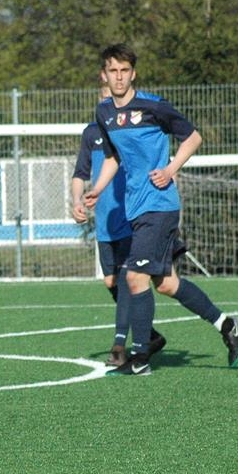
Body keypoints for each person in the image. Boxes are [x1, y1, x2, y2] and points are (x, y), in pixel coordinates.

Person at [84, 44, 238, 375]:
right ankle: (228, 325)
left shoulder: (153, 106)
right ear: (104, 74)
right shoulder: (104, 113)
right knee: (167, 284)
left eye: (124, 71)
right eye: (113, 71)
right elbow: (114, 156)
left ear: (134, 73)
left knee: (134, 276)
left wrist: (171, 169)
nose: (119, 77)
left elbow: (193, 138)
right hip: (136, 209)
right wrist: (97, 189)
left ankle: (141, 358)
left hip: (160, 206)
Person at [71, 84, 166, 367]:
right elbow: (80, 172)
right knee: (111, 282)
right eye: (105, 96)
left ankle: (121, 344)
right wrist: (77, 199)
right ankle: (149, 335)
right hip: (105, 223)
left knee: (128, 279)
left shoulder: (131, 132)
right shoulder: (91, 133)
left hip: (131, 218)